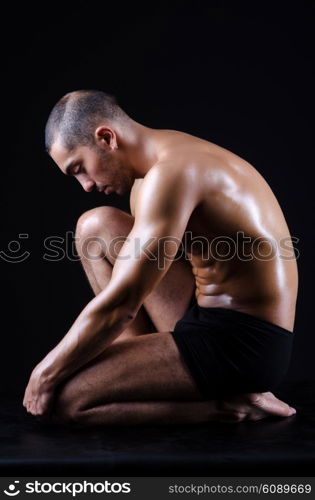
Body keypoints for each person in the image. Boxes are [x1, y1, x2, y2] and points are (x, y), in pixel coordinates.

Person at [23, 90, 298, 426]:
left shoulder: (173, 173)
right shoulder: (154, 165)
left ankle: (231, 407)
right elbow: (132, 282)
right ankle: (140, 377)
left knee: (69, 399)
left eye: (80, 168)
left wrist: (45, 372)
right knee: (96, 228)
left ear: (106, 137)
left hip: (245, 345)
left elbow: (121, 304)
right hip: (203, 316)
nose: (85, 185)